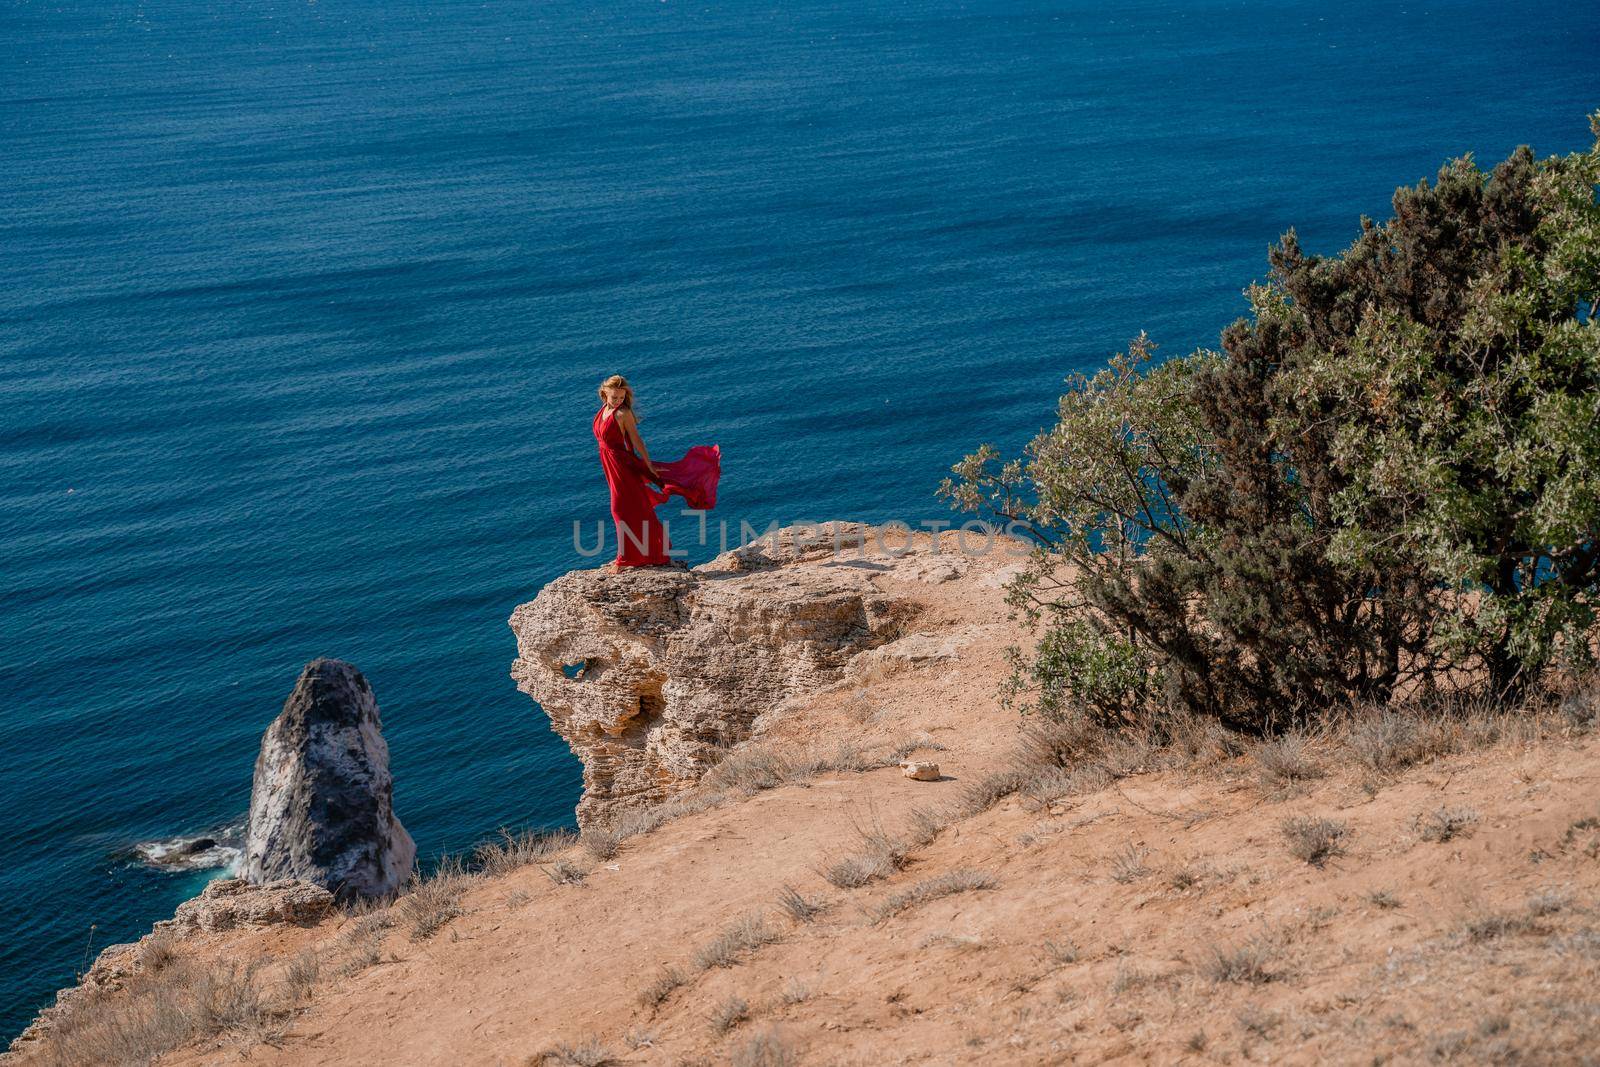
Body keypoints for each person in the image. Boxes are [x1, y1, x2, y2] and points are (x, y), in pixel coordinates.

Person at [593, 374, 720, 570]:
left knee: (619, 510)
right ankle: (651, 555)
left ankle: (625, 559)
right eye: (614, 397)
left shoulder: (622, 413)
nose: (618, 401)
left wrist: (648, 466)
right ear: (604, 394)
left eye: (621, 397)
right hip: (611, 465)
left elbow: (636, 441)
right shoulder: (603, 410)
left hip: (622, 467)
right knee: (636, 509)